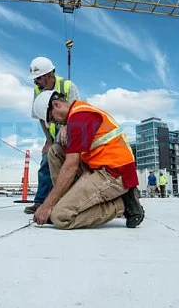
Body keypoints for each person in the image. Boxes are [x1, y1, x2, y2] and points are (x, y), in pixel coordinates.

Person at [31, 90, 144, 229]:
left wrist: (47, 205)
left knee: (60, 217)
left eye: (53, 119)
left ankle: (122, 204)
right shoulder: (78, 111)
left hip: (114, 174)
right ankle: (63, 202)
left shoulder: (79, 118)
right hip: (99, 166)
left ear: (57, 105)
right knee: (54, 151)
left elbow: (71, 166)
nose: (56, 123)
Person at [24, 56, 80, 215]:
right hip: (53, 135)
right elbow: (41, 117)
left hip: (72, 130)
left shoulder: (67, 86)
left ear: (49, 75)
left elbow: (77, 110)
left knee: (73, 163)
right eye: (34, 80)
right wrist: (48, 140)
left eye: (38, 79)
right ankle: (40, 202)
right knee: (45, 162)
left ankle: (68, 199)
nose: (36, 83)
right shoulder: (38, 91)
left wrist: (66, 126)